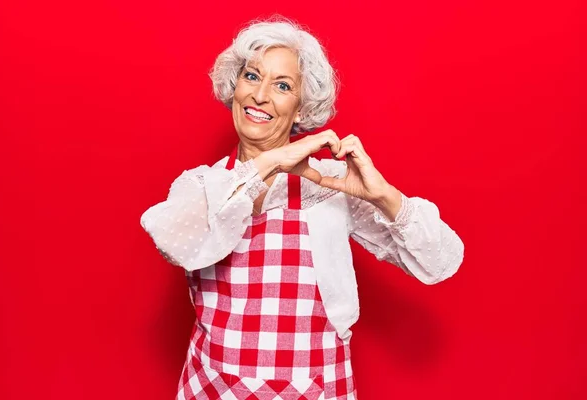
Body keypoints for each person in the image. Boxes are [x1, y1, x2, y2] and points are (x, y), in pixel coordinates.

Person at [140, 17, 464, 400]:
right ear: (234, 87)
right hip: (214, 385)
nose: (260, 95)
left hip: (316, 388)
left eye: (282, 86)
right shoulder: (207, 186)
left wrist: (383, 195)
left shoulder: (329, 184)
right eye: (251, 76)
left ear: (300, 109)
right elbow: (169, 239)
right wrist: (271, 162)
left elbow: (441, 261)